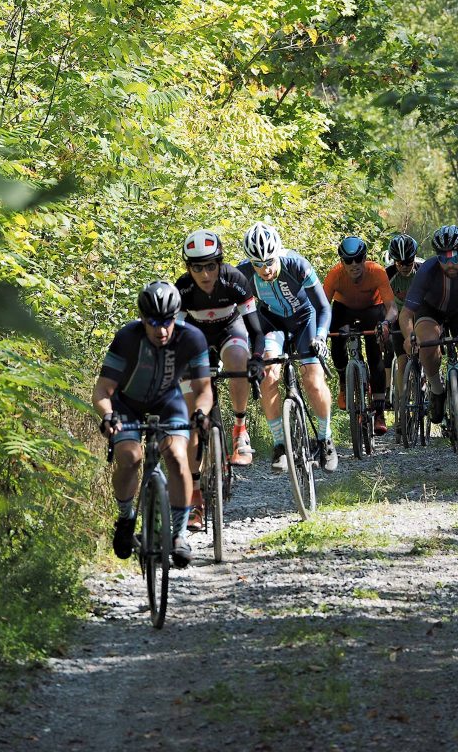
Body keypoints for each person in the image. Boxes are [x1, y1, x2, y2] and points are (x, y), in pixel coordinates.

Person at [92, 281, 211, 568]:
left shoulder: (192, 338)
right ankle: (125, 519)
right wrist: (107, 414)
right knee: (130, 458)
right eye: (154, 322)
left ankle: (180, 534)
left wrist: (201, 413)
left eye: (167, 321)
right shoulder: (127, 338)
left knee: (177, 457)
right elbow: (103, 390)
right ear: (142, 319)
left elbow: (203, 389)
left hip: (169, 403)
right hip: (127, 405)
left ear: (176, 317)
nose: (161, 330)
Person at [175, 230, 266, 530]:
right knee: (193, 420)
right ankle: (195, 496)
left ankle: (240, 427)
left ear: (220, 263)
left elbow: (255, 330)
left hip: (230, 330)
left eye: (211, 265)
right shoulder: (183, 290)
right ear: (188, 268)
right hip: (197, 338)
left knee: (238, 361)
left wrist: (256, 358)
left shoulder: (235, 281)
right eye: (197, 267)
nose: (205, 273)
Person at [236, 221, 338, 472]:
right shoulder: (243, 275)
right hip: (272, 323)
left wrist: (321, 337)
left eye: (269, 261)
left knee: (313, 381)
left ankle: (325, 439)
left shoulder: (297, 265)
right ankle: (280, 444)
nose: (265, 269)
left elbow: (323, 307)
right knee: (268, 376)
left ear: (278, 253)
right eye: (257, 264)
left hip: (305, 320)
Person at [398, 225, 458, 456]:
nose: (450, 263)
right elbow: (406, 314)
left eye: (456, 256)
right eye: (443, 257)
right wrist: (408, 336)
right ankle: (437, 389)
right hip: (430, 310)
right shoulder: (427, 270)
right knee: (427, 345)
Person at [323, 235, 398, 436]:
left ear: (365, 258)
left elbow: (392, 308)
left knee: (375, 355)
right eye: (349, 260)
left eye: (358, 259)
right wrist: (319, 331)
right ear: (342, 262)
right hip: (344, 309)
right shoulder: (335, 275)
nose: (354, 264)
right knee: (335, 339)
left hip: (372, 309)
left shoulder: (377, 272)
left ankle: (379, 412)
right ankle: (343, 381)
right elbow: (322, 308)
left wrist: (386, 323)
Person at [384, 233, 423, 442]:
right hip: (399, 319)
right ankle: (401, 410)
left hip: (422, 315)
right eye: (400, 262)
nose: (404, 266)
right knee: (401, 359)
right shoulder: (388, 274)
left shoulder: (423, 270)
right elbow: (380, 302)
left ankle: (425, 381)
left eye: (408, 261)